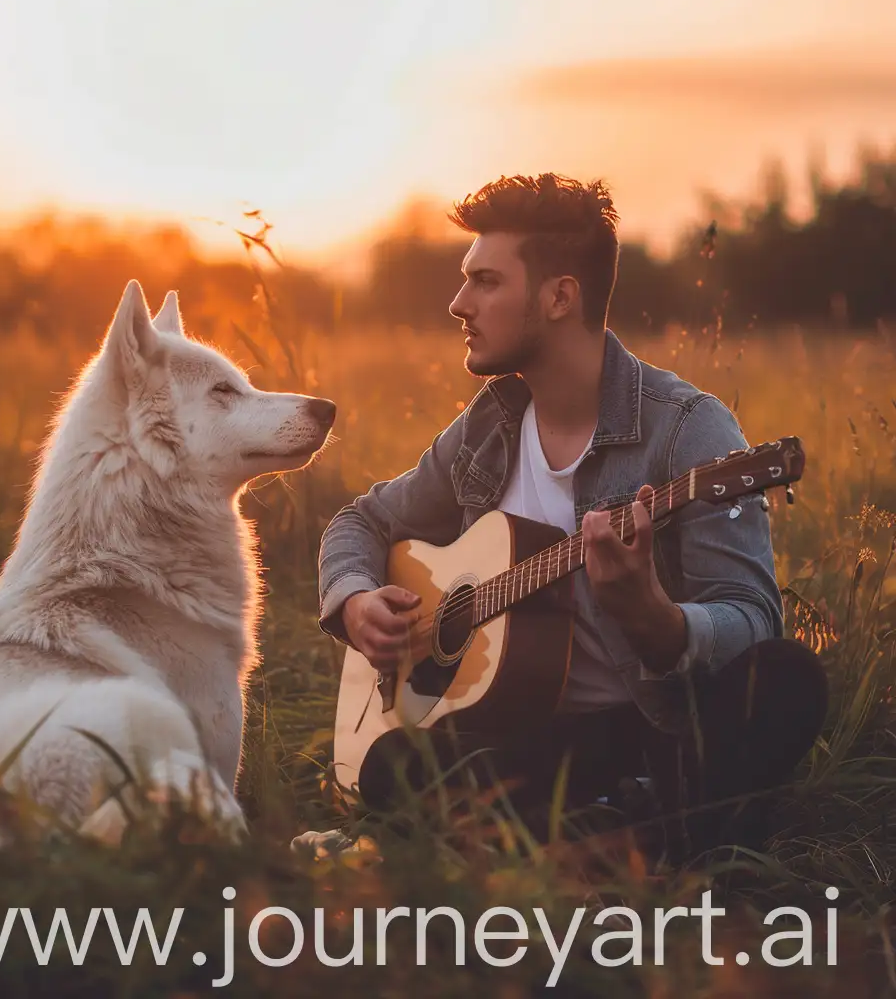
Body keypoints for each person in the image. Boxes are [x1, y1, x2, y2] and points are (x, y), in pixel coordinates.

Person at [318, 174, 827, 858]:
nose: (458, 302)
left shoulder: (689, 432)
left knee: (787, 680)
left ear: (560, 296)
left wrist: (657, 619)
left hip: (649, 733)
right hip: (520, 741)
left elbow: (753, 615)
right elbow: (364, 520)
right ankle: (627, 839)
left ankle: (609, 833)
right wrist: (353, 602)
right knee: (387, 768)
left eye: (486, 281)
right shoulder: (488, 427)